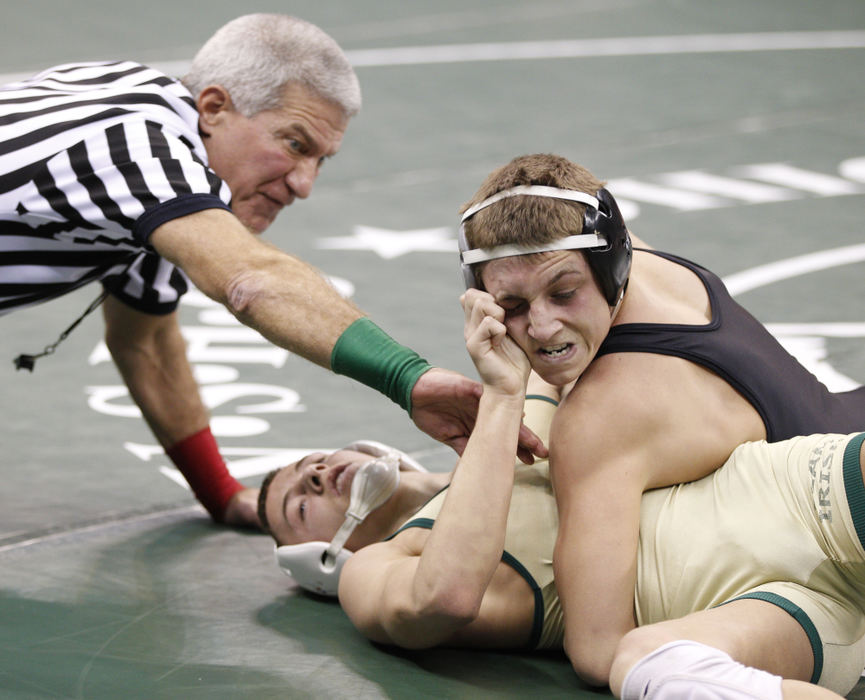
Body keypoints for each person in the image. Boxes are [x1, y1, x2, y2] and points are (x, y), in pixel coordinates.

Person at [0, 15, 544, 528]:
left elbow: (145, 341)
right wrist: (407, 377)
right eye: (294, 144)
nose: (304, 183)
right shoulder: (133, 147)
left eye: (320, 160)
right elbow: (250, 278)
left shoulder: (164, 171)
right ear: (213, 108)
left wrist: (222, 496)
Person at [258, 306, 865, 699]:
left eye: (309, 461)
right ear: (320, 559)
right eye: (298, 504)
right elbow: (445, 596)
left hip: (790, 497)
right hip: (764, 612)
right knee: (655, 671)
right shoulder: (372, 571)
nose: (313, 474)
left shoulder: (527, 415)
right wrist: (501, 397)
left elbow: (600, 296)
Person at [457, 153, 865, 685]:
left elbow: (598, 650)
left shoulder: (599, 420)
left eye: (563, 293)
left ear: (611, 270)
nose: (540, 326)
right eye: (510, 305)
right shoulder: (643, 263)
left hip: (828, 548)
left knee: (649, 665)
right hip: (847, 449)